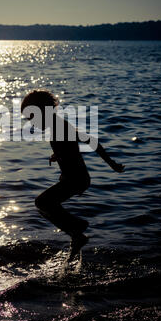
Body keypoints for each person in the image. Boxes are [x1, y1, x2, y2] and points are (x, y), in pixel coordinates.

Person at [21, 89, 125, 261]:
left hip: (77, 180)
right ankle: (75, 234)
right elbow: (69, 148)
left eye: (32, 117)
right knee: (45, 207)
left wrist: (112, 164)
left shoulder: (60, 127)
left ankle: (77, 228)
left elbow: (91, 141)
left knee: (42, 202)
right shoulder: (56, 126)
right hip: (72, 179)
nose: (32, 123)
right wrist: (59, 155)